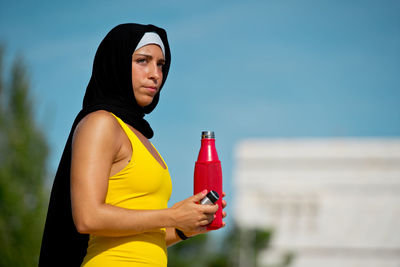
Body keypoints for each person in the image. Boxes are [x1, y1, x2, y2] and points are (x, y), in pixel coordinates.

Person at [39, 23, 227, 266]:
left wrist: (185, 227)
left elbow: (145, 236)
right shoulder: (100, 123)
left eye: (160, 64)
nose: (155, 74)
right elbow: (88, 217)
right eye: (143, 61)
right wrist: (172, 215)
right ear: (116, 63)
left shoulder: (142, 139)